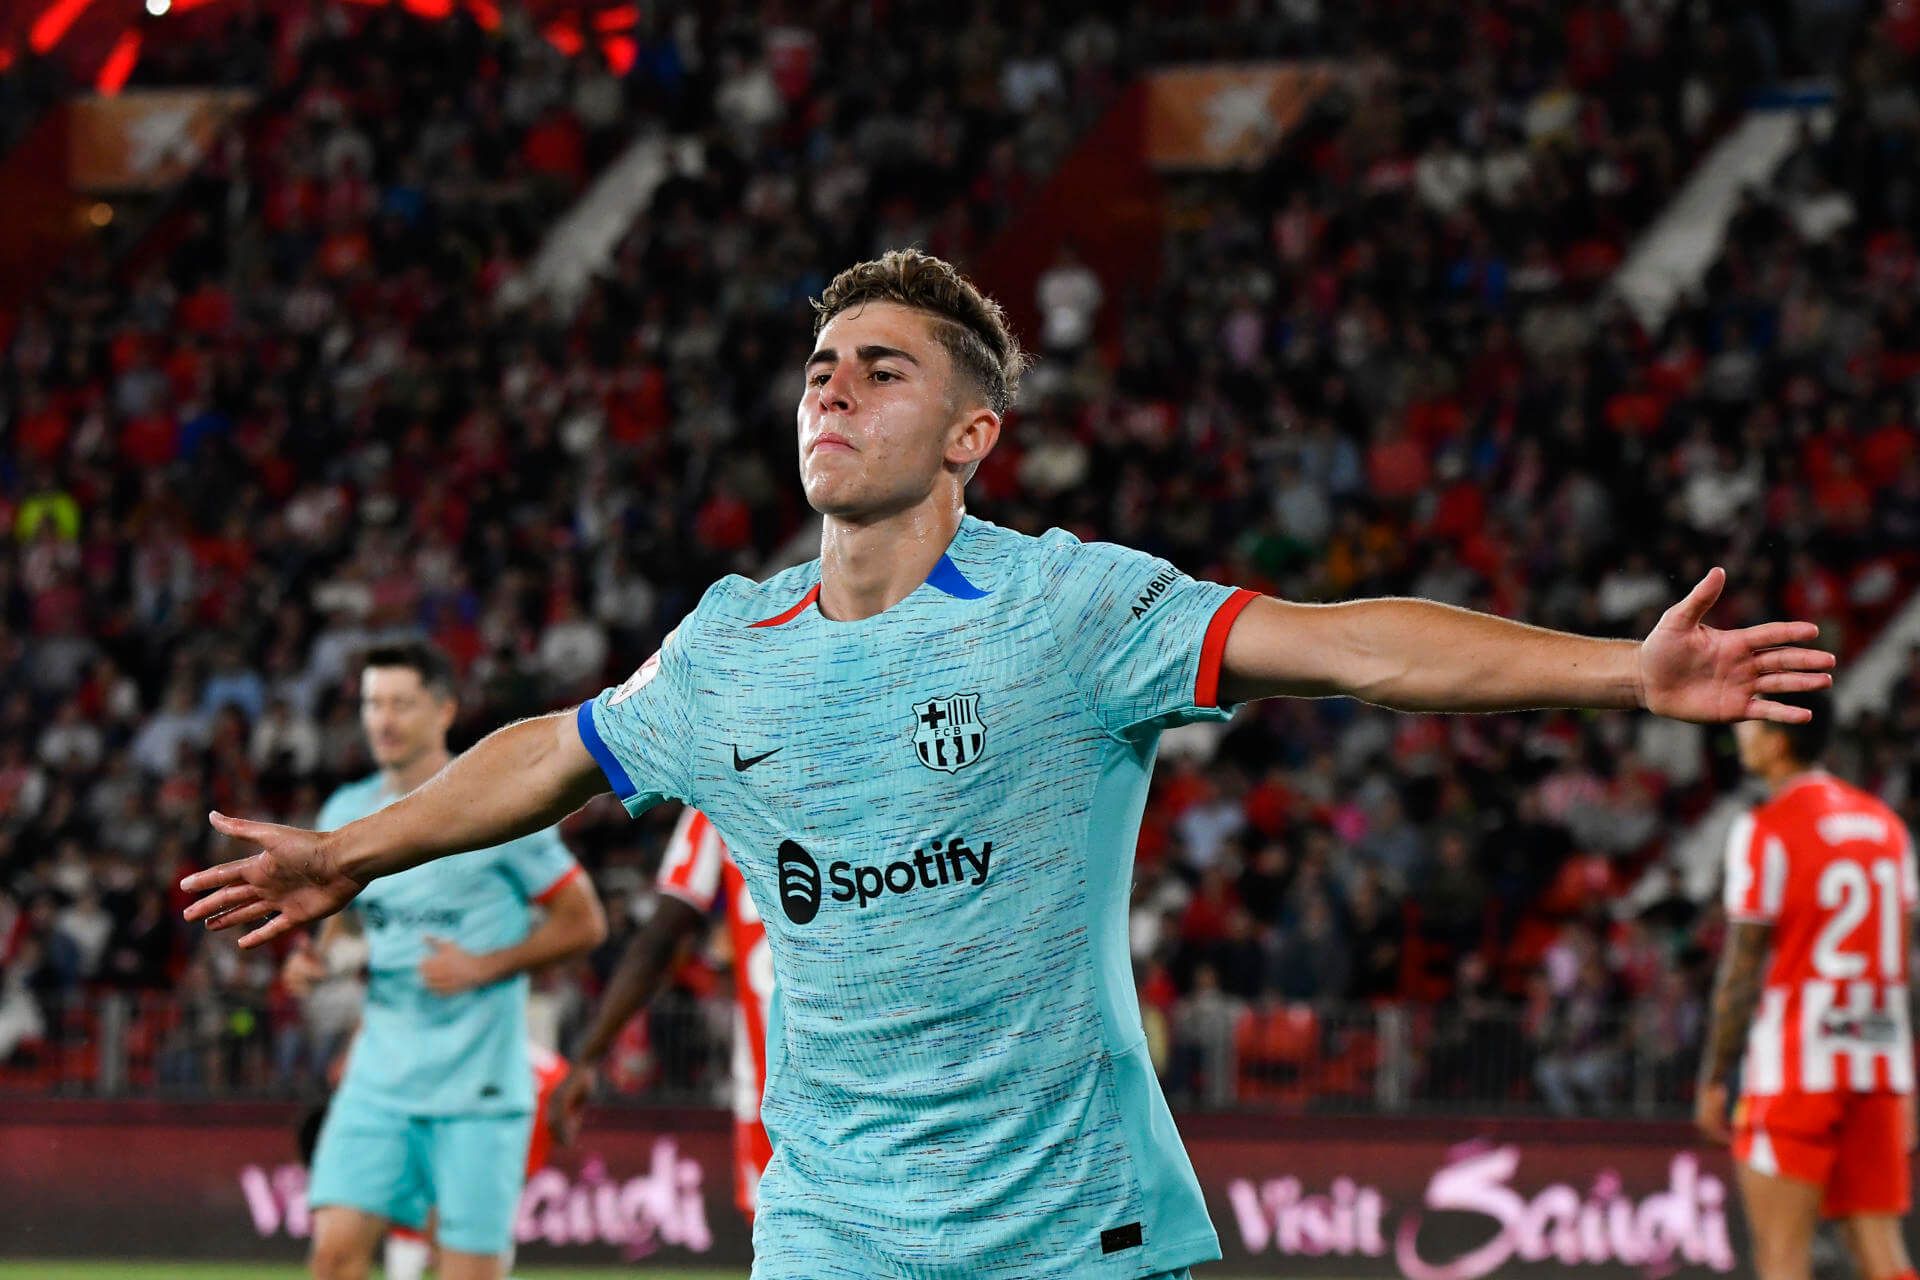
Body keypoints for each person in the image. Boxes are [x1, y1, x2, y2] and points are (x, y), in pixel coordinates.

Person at [184, 249, 1834, 1280]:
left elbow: (1347, 643)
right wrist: (354, 851)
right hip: (829, 1229)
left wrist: (1622, 669)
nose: (834, 385)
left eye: (884, 367)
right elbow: (558, 752)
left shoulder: (1070, 607)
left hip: (1076, 1229)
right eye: (821, 366)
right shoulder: (724, 648)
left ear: (975, 434)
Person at [280, 642, 607, 1280]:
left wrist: (485, 966)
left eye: (402, 703)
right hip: (377, 1082)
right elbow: (334, 932)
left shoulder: (501, 806)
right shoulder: (344, 814)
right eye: (374, 703)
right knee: (332, 1259)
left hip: (478, 1091)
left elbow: (585, 922)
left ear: (444, 710)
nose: (384, 719)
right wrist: (309, 963)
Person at [1696, 688, 1917, 1280]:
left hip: (1796, 1065)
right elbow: (1905, 967)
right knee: (1883, 1255)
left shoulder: (1766, 829)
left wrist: (1716, 1076)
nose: (1739, 732)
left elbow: (1742, 971)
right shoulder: (1888, 828)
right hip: (1878, 1063)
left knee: (1782, 1257)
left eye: (1749, 723)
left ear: (1778, 739)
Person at [549, 806, 774, 1223]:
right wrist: (587, 1057)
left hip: (774, 1092)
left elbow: (661, 939)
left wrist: (587, 1057)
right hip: (853, 1081)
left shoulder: (722, 785)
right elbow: (661, 940)